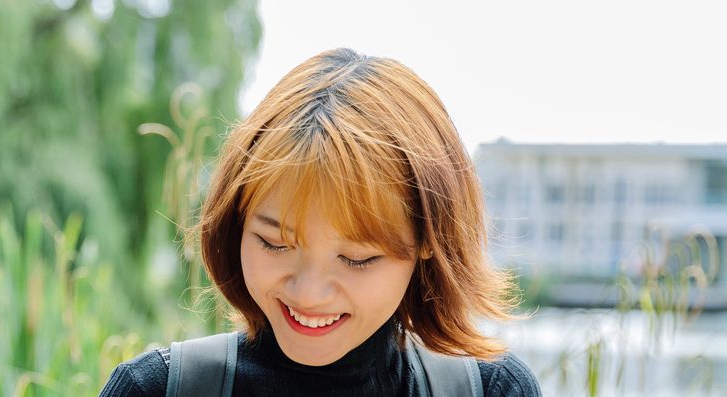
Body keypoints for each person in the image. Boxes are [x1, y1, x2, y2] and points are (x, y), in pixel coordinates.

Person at [100, 48, 540, 396]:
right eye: (274, 243)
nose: (309, 293)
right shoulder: (156, 389)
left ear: (429, 239)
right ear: (235, 222)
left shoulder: (493, 390)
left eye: (356, 258)